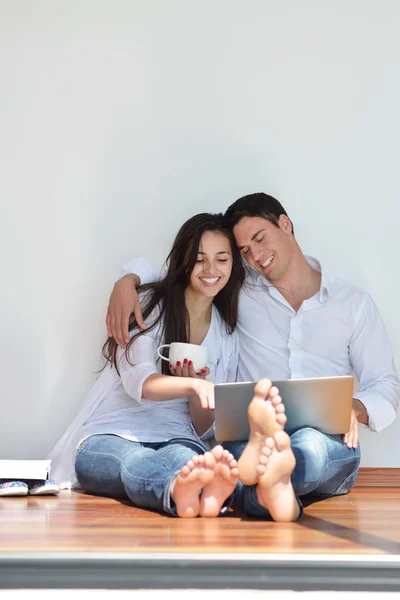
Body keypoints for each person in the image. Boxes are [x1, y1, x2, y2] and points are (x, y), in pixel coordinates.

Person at [107, 192, 400, 512]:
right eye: (245, 250)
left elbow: (386, 385)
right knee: (240, 459)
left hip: (327, 438)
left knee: (309, 448)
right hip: (250, 439)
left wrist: (353, 408)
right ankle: (271, 494)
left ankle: (268, 478)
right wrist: (127, 281)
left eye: (260, 239)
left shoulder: (353, 304)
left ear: (285, 224)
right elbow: (188, 271)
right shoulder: (238, 291)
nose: (256, 256)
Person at [49, 212, 300, 521]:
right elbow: (139, 382)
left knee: (193, 462)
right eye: (200, 259)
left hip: (177, 434)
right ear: (183, 261)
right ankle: (178, 491)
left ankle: (249, 491)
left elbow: (202, 427)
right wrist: (193, 385)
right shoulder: (149, 305)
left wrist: (198, 397)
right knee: (133, 462)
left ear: (233, 264)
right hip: (110, 432)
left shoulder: (225, 334)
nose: (211, 270)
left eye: (222, 259)